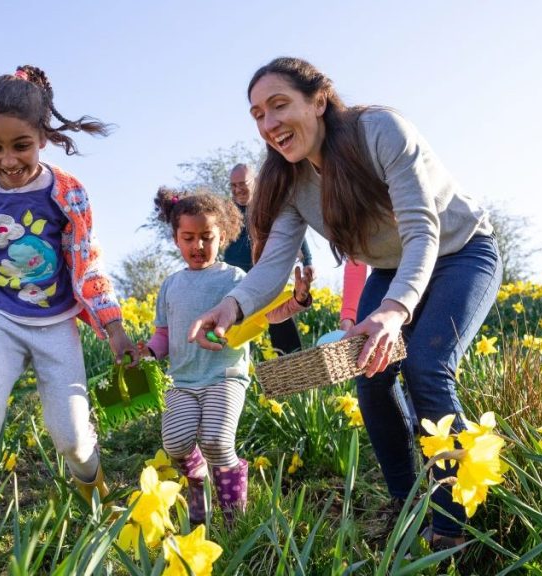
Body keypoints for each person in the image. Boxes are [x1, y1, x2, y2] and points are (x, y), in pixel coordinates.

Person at [189, 57, 503, 548]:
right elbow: (273, 266)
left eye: (278, 105)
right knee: (372, 378)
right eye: (257, 115)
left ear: (318, 101)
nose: (269, 124)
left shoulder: (380, 131)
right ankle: (408, 508)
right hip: (390, 268)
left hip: (460, 252)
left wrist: (393, 312)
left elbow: (423, 231)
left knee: (427, 368)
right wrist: (232, 307)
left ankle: (455, 529)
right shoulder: (289, 179)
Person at [0, 65, 137, 575]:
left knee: (72, 437)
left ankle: (97, 501)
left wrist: (114, 328)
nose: (9, 159)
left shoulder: (69, 193)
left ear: (44, 137)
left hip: (58, 323)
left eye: (21, 144)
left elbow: (88, 264)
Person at [140, 187, 313, 525]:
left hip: (225, 377)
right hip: (183, 381)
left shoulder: (235, 278)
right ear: (176, 239)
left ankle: (235, 516)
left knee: (217, 441)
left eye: (207, 237)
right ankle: (198, 481)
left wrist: (297, 301)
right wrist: (147, 353)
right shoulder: (171, 285)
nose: (198, 246)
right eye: (188, 238)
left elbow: (265, 314)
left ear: (224, 237)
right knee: (175, 443)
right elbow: (163, 333)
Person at [223, 163, 313, 354]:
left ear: (255, 182)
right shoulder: (227, 213)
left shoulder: (270, 207)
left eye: (242, 184)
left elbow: (295, 232)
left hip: (267, 279)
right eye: (233, 186)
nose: (237, 189)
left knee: (280, 325)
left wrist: (308, 262)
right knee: (238, 333)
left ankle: (293, 369)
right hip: (237, 283)